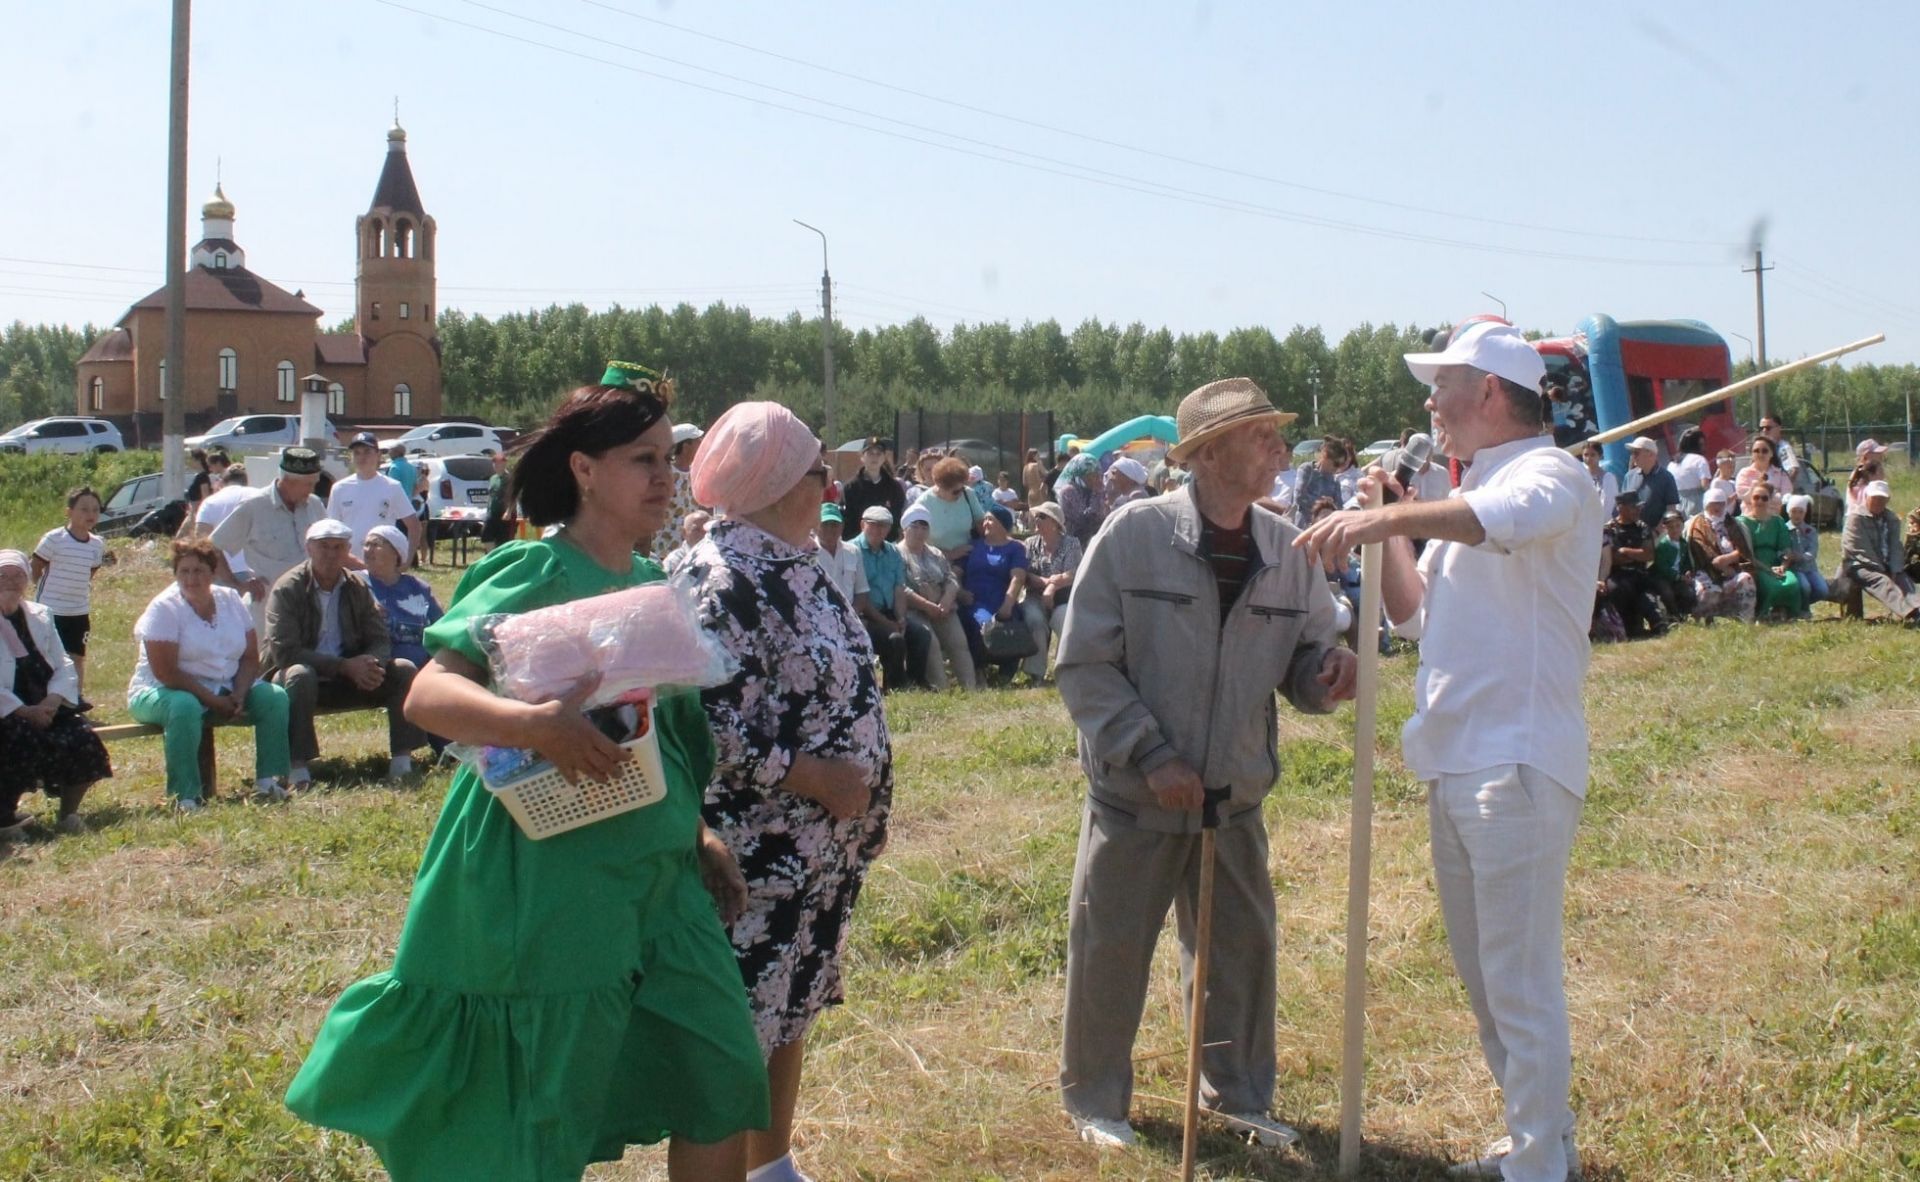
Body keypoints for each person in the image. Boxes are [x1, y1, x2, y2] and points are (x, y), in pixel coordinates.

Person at [286, 365, 769, 1181]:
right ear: (584, 470)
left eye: (667, 460)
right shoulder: (529, 575)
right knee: (538, 1110)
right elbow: (431, 695)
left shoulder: (654, 586)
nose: (666, 478)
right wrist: (535, 727)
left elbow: (670, 741)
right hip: (551, 881)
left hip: (657, 882)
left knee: (718, 1070)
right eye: (642, 460)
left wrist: (698, 831)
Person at [1295, 320, 1600, 1182]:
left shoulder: (1550, 476)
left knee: (1519, 981)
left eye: (1444, 384)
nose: (1431, 401)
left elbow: (1497, 521)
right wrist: (1388, 525)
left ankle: (1540, 1166)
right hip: (1460, 762)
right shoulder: (1472, 491)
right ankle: (1536, 1142)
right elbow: (1414, 614)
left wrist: (1383, 512)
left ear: (1492, 393)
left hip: (1517, 764)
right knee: (1487, 981)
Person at [1057, 376, 1353, 1151]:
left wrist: (1327, 673)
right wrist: (1151, 754)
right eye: (1263, 436)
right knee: (1110, 948)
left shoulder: (1288, 551)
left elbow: (1307, 653)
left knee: (1240, 959)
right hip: (1136, 797)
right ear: (1211, 452)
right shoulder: (1132, 537)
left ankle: (1240, 1097)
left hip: (1235, 799)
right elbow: (1084, 663)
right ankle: (1096, 1104)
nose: (1281, 449)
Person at [680, 399, 891, 1182]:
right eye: (816, 471)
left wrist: (864, 809)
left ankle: (774, 1169)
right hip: (756, 857)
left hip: (820, 853)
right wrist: (815, 777)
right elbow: (706, 724)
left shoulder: (799, 561)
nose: (830, 484)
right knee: (742, 1029)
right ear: (772, 483)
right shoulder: (717, 577)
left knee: (793, 1007)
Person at [126, 537, 288, 809]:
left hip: (225, 687)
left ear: (213, 572)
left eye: (199, 570)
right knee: (185, 707)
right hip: (162, 691)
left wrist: (238, 694)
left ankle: (269, 781)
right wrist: (213, 701)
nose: (191, 578)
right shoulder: (163, 608)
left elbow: (250, 657)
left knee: (274, 697)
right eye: (184, 572)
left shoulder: (230, 600)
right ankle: (185, 796)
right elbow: (166, 672)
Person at [262, 519, 426, 785]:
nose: (330, 554)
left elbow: (379, 638)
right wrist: (343, 666)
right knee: (299, 674)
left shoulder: (356, 587)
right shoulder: (287, 588)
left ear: (348, 550)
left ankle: (402, 762)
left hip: (349, 678)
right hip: (300, 679)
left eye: (338, 547)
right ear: (309, 549)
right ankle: (297, 768)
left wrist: (371, 663)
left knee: (404, 668)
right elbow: (284, 651)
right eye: (323, 547)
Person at [0, 549, 111, 834]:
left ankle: (68, 815)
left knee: (82, 738)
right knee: (17, 738)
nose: (10, 582)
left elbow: (63, 662)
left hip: (45, 704)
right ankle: (5, 815)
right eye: (2, 576)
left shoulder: (41, 614)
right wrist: (25, 710)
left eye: (17, 576)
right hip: (8, 710)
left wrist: (52, 700)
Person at [208, 446, 328, 629]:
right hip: (266, 610)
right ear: (287, 480)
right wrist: (237, 584)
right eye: (308, 484)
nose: (312, 489)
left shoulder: (314, 505)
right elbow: (212, 547)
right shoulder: (254, 506)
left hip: (309, 608)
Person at [32, 484, 112, 706]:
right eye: (84, 509)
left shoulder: (97, 544)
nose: (90, 514)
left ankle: (74, 698)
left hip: (78, 610)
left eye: (95, 510)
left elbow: (91, 571)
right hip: (51, 608)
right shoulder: (54, 538)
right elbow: (36, 566)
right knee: (49, 656)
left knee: (77, 655)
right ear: (69, 511)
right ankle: (45, 697)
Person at [898, 502, 977, 690]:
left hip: (944, 608)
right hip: (914, 610)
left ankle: (971, 689)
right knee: (931, 644)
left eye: (924, 527)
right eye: (914, 527)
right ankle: (940, 689)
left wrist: (948, 599)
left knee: (959, 642)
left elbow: (950, 578)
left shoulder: (935, 553)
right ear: (904, 530)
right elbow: (901, 588)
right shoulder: (896, 554)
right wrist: (927, 606)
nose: (919, 531)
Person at [852, 505, 931, 691]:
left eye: (884, 526)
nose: (879, 530)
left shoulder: (893, 552)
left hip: (890, 611)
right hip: (865, 614)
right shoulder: (852, 551)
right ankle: (895, 687)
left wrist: (901, 617)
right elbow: (861, 595)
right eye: (874, 525)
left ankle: (916, 681)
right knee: (894, 639)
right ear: (863, 524)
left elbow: (899, 588)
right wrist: (886, 622)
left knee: (921, 633)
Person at [960, 505, 1031, 681]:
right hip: (974, 602)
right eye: (985, 519)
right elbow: (955, 572)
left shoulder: (1015, 548)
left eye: (990, 519)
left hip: (1001, 601)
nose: (985, 523)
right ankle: (979, 670)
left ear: (1002, 524)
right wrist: (959, 592)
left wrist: (1007, 605)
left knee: (1010, 626)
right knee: (977, 624)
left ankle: (1006, 674)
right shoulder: (973, 546)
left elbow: (1018, 578)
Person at [328, 431, 421, 563]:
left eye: (367, 452)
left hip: (382, 565)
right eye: (357, 453)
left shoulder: (392, 487)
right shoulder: (339, 488)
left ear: (378, 455)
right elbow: (333, 530)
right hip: (349, 564)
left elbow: (414, 525)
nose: (362, 457)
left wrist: (407, 560)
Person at [361, 525, 443, 671]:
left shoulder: (418, 587)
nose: (368, 550)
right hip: (382, 666)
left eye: (375, 544)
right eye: (366, 544)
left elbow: (441, 627)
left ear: (396, 553)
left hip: (425, 664)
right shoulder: (357, 582)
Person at [1839, 480, 1920, 622]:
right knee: (1883, 582)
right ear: (1867, 497)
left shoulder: (1891, 518)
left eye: (1882, 499)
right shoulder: (1855, 518)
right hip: (1858, 565)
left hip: (1884, 564)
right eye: (1875, 498)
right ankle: (1910, 613)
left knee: (1903, 579)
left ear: (1887, 500)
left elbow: (1895, 546)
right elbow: (1859, 549)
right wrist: (1882, 569)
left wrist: (1894, 569)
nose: (1878, 502)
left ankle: (1918, 608)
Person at [1019, 501, 1081, 684]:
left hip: (1063, 597)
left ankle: (1070, 672)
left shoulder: (1071, 543)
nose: (1036, 519)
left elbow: (1073, 573)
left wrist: (1053, 587)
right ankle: (1036, 675)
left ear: (1055, 522)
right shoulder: (1030, 543)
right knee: (1036, 622)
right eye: (1036, 516)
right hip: (1034, 596)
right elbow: (1026, 573)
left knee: (1066, 624)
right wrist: (1046, 584)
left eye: (1042, 516)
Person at [1686, 485, 1758, 623]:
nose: (1717, 507)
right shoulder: (1697, 524)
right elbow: (1703, 553)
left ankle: (1745, 620)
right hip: (1706, 571)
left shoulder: (1733, 523)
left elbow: (1744, 551)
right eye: (1713, 504)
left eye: (1720, 503)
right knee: (1708, 590)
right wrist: (1719, 564)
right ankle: (1706, 620)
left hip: (1734, 570)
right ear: (1706, 505)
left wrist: (1729, 559)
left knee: (1746, 579)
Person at [1603, 490, 1666, 638]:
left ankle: (1657, 623)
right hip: (1619, 575)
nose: (1638, 510)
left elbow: (1649, 554)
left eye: (1639, 507)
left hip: (1640, 574)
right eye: (1633, 507)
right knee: (1618, 589)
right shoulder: (1609, 529)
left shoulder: (1642, 526)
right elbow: (1614, 558)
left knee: (1652, 593)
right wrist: (1637, 554)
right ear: (1620, 508)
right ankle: (1627, 628)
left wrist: (1625, 550)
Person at [1736, 484, 1804, 619]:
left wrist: (1783, 566)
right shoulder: (1741, 522)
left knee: (1792, 582)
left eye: (1764, 498)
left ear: (1769, 500)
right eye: (1756, 497)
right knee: (1770, 585)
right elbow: (1746, 553)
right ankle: (1763, 613)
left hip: (1776, 562)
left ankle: (1789, 613)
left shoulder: (1778, 521)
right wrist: (1767, 570)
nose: (1760, 501)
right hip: (1755, 564)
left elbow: (1785, 548)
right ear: (1751, 499)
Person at [914, 457, 987, 563]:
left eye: (963, 488)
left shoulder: (968, 494)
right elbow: (915, 543)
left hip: (967, 559)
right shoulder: (923, 504)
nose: (961, 493)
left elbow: (981, 523)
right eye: (956, 491)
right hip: (935, 562)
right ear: (939, 486)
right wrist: (950, 555)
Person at [652, 419, 704, 561]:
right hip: (664, 548)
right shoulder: (667, 473)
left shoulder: (697, 472)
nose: (702, 443)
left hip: (690, 548)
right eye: (697, 440)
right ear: (686, 445)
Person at [840, 437, 907, 542]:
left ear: (884, 457)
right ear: (862, 456)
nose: (874, 457)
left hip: (887, 546)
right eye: (870, 453)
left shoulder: (894, 487)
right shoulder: (851, 487)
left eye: (878, 454)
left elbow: (897, 518)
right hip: (858, 545)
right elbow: (848, 519)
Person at [812, 503, 867, 605]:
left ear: (842, 526)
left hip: (851, 614)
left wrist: (851, 617)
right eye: (824, 524)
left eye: (834, 524)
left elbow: (862, 592)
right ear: (815, 525)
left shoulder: (853, 551)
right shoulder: (806, 553)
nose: (829, 529)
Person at [1651, 508, 1699, 621]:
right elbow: (1662, 567)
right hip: (1662, 577)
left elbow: (1686, 561)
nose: (1675, 530)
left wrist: (1687, 572)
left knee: (1688, 592)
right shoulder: (1663, 546)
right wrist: (1678, 577)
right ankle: (1674, 616)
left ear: (1683, 525)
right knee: (1667, 592)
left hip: (1678, 576)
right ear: (1665, 528)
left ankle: (1686, 613)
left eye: (1678, 526)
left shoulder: (1683, 543)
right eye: (1671, 527)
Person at [1620, 436, 1679, 527]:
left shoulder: (1666, 477)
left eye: (1636, 453)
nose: (1633, 456)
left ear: (1651, 454)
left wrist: (1657, 533)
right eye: (1632, 453)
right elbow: (1623, 507)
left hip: (1658, 536)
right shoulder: (1629, 477)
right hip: (1632, 535)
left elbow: (1671, 509)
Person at [1783, 495, 1829, 607]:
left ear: (1805, 513)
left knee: (1823, 590)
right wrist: (1786, 556)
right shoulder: (1783, 529)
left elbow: (1813, 551)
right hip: (1793, 568)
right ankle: (1803, 609)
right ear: (1788, 512)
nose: (1797, 515)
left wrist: (1802, 556)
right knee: (1805, 586)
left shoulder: (1810, 530)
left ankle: (1801, 605)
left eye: (1801, 512)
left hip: (1810, 568)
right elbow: (1781, 547)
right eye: (1794, 511)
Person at [1053, 452, 1106, 547]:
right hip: (1075, 543)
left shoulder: (1094, 490)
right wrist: (1096, 495)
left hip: (1094, 540)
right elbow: (1083, 520)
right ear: (1080, 475)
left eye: (1098, 475)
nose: (1097, 479)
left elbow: (1103, 516)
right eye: (1092, 475)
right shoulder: (1068, 491)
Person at [1292, 438, 1344, 527]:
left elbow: (1339, 507)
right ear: (1325, 456)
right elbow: (1299, 497)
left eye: (1341, 465)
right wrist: (1324, 503)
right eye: (1336, 464)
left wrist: (1330, 505)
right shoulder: (1307, 469)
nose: (1337, 468)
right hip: (1303, 524)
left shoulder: (1335, 480)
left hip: (1323, 525)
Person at [1668, 426, 1712, 516]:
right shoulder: (1699, 460)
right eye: (1702, 445)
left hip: (1678, 505)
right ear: (1696, 445)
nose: (1704, 448)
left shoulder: (1671, 463)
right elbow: (1705, 486)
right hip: (1697, 504)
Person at [1735, 436, 1792, 503]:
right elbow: (1744, 496)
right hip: (1750, 513)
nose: (1760, 454)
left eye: (1764, 451)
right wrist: (1773, 492)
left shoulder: (1781, 474)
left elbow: (1786, 498)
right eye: (1756, 451)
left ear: (1772, 453)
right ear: (1752, 454)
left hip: (1774, 513)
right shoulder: (1744, 473)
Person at [478, 449, 516, 546]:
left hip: (504, 514)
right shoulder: (493, 478)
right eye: (494, 463)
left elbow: (513, 496)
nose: (496, 466)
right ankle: (491, 556)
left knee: (503, 540)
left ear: (504, 464)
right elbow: (491, 495)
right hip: (492, 512)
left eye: (499, 463)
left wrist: (509, 511)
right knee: (485, 535)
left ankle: (503, 559)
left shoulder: (509, 479)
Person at [1847, 439, 1890, 515]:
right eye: (1877, 453)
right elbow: (1864, 500)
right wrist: (1877, 481)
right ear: (1866, 455)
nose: (1881, 455)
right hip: (1860, 518)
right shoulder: (1860, 474)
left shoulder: (1872, 471)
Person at [1580, 441, 1618, 522]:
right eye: (1586, 455)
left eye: (1592, 455)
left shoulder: (1608, 478)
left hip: (1603, 526)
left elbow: (1608, 507)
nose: (1588, 458)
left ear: (1600, 456)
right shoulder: (1581, 477)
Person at [385, 443, 420, 520]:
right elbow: (416, 489)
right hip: (408, 508)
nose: (388, 453)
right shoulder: (412, 468)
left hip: (396, 510)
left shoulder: (395, 468)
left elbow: (391, 490)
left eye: (390, 450)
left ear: (396, 452)